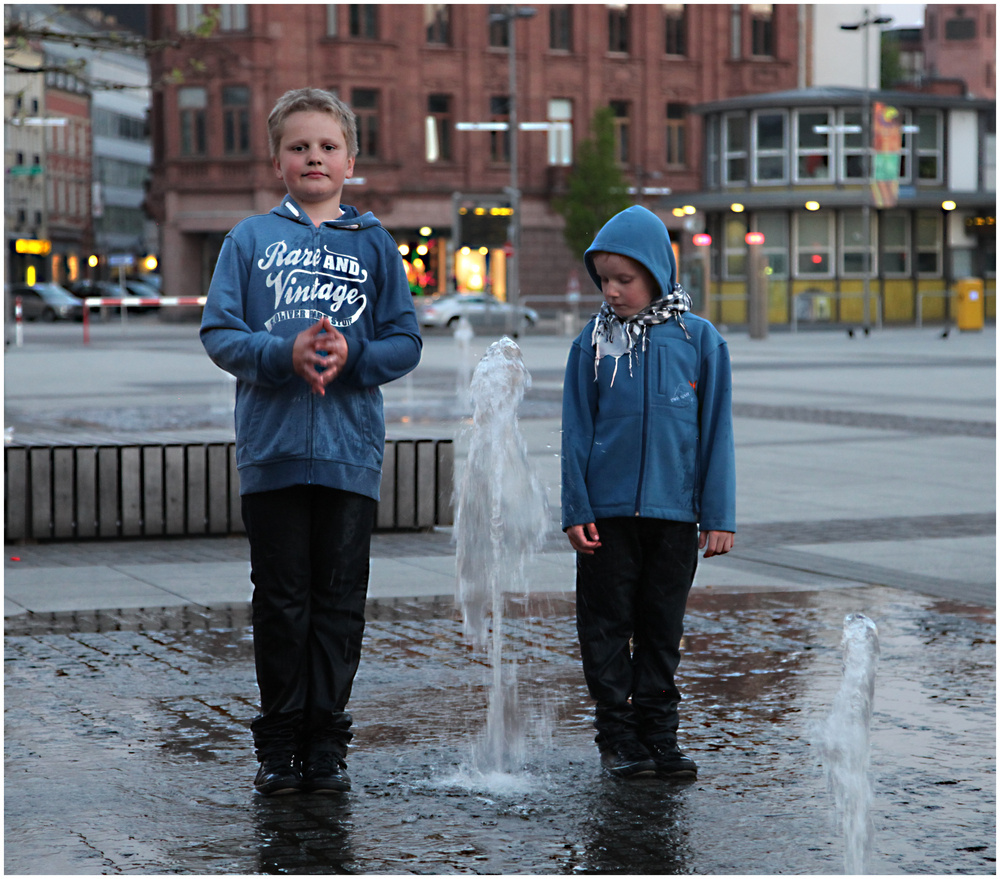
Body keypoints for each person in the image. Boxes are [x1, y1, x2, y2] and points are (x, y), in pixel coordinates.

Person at [200, 88, 422, 796]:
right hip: (272, 454)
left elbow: (406, 340)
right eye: (299, 147)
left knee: (339, 602)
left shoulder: (376, 243)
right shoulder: (248, 240)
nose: (314, 157)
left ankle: (326, 744)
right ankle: (278, 745)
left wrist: (352, 356)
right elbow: (219, 333)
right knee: (281, 601)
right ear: (278, 162)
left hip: (351, 455)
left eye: (328, 146)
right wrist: (282, 353)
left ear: (351, 161)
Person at [561, 205, 736, 781]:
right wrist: (576, 509)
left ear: (658, 274)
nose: (611, 291)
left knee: (662, 629)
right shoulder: (591, 343)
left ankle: (660, 735)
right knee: (606, 628)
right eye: (603, 280)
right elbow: (575, 431)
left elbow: (717, 432)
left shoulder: (699, 340)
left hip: (674, 515)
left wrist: (718, 514)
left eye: (624, 279)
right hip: (605, 519)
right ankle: (618, 736)